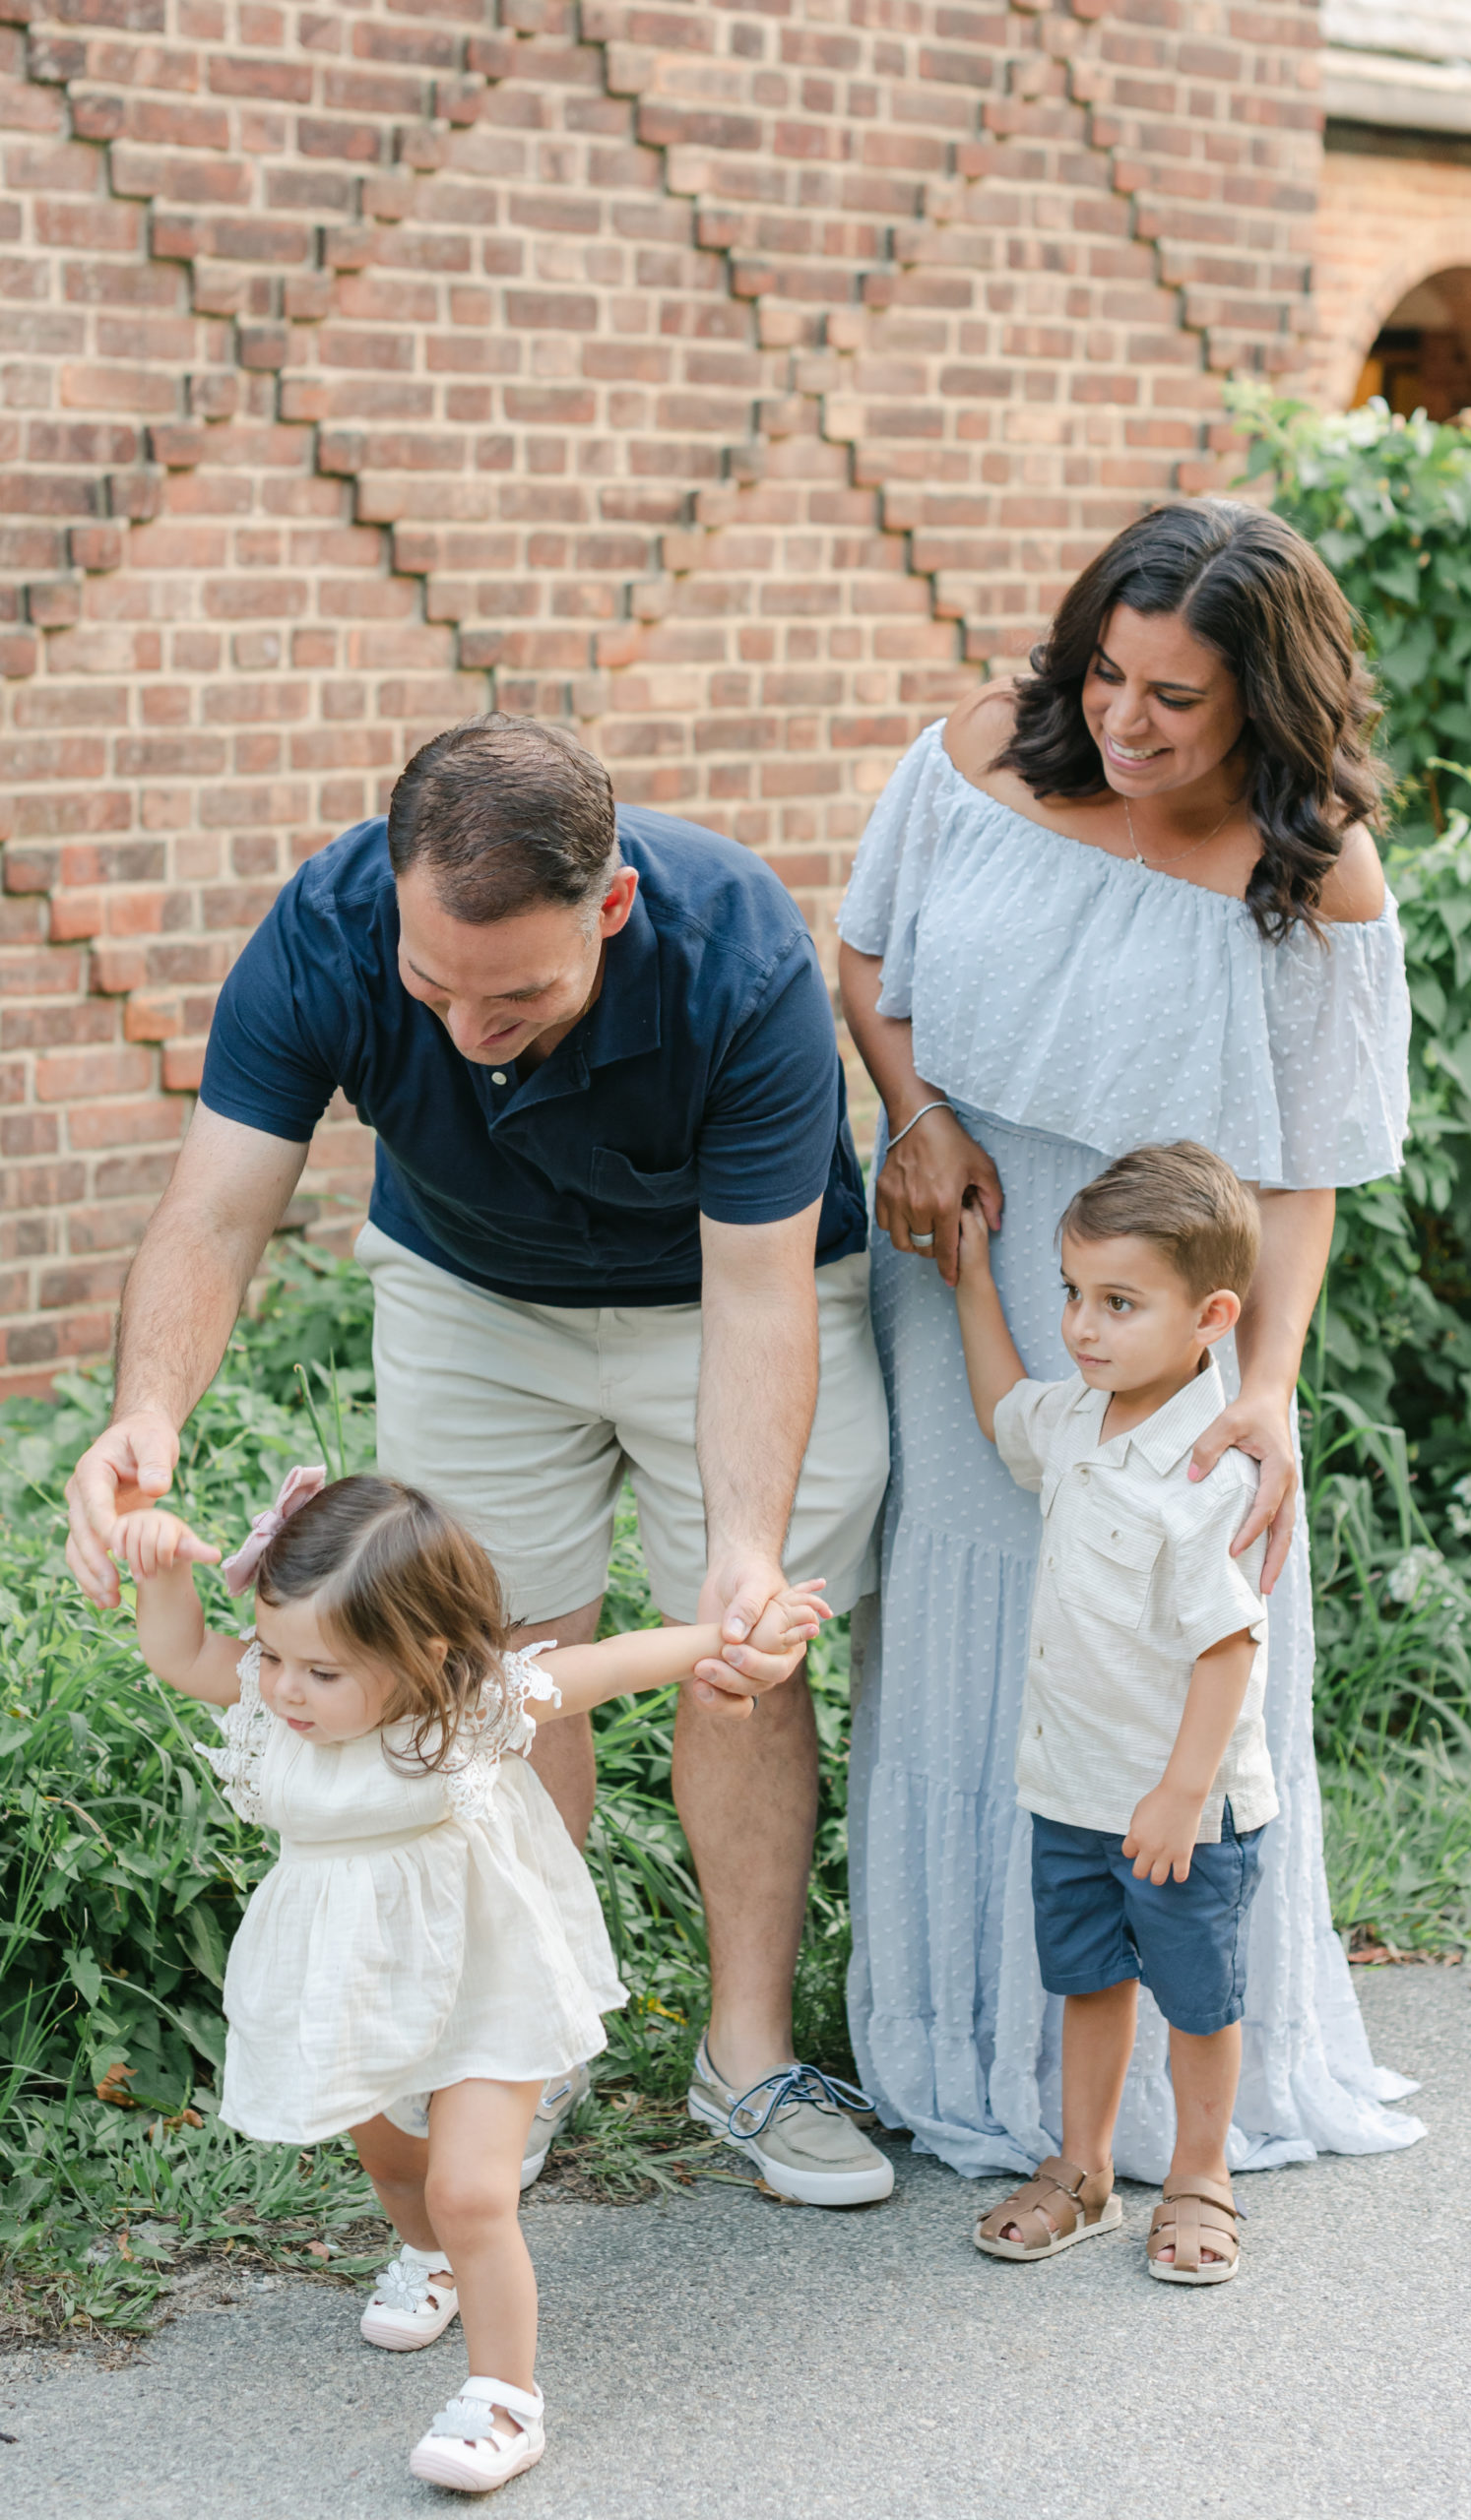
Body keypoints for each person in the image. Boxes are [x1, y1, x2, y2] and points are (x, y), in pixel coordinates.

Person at [62, 713, 893, 2208]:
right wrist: (149, 1419)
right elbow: (214, 1208)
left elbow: (758, 1291)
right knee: (492, 1653)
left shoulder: (741, 953)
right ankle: (530, 2041)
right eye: (431, 984)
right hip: (472, 1294)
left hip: (721, 1295)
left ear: (613, 909)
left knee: (738, 1646)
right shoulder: (327, 930)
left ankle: (746, 2051)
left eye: (517, 995)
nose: (464, 1028)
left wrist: (746, 1545)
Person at [837, 497, 1425, 2179]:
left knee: (1178, 1636)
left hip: (1185, 1306)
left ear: (1262, 697)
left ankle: (1181, 2100)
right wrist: (916, 1118)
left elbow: (1306, 1166)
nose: (1123, 719)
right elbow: (866, 951)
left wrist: (1267, 1388)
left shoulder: (1309, 867)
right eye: (1106, 674)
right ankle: (962, 2040)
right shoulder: (973, 758)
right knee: (973, 1618)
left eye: (1172, 696)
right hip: (974, 1248)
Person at [109, 1467, 833, 2490]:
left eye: (321, 1671)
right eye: (272, 1654)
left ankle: (503, 2398)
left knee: (470, 2188)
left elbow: (604, 1663)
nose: (281, 1687)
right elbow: (180, 1647)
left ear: (424, 1656)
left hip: (489, 1971)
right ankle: (425, 2254)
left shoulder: (471, 1707)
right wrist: (156, 1567)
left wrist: (724, 1637)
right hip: (353, 1977)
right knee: (396, 2162)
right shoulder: (278, 1704)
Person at [957, 1145, 1272, 2284]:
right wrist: (970, 1283)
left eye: (1119, 1304)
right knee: (1086, 1980)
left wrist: (1182, 1793)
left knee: (1196, 1997)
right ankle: (1081, 2167)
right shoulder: (1075, 1419)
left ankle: (1198, 2174)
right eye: (1073, 1296)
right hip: (1073, 1787)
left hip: (1182, 1802)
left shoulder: (1203, 1470)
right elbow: (1003, 1405)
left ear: (1210, 1316)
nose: (1082, 1328)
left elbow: (1228, 1644)